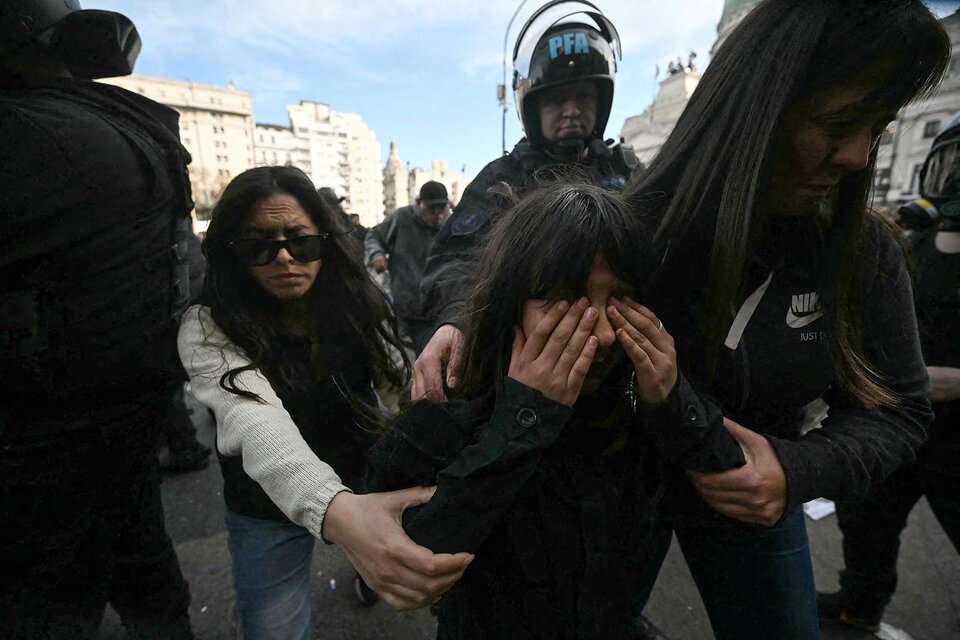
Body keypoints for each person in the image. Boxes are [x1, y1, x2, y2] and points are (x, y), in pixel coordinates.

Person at [619, 1, 950, 638]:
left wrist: (796, 469)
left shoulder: (865, 252)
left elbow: (902, 408)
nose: (858, 156)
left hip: (754, 496)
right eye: (837, 123)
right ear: (757, 108)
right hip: (622, 487)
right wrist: (462, 325)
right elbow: (497, 271)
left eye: (877, 127)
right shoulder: (631, 234)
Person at [366, 180, 743, 639]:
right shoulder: (454, 405)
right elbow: (416, 560)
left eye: (621, 298)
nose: (602, 335)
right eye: (566, 301)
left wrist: (672, 396)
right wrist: (524, 419)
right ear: (509, 302)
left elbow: (726, 483)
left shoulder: (636, 402)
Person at [177, 166, 472, 639]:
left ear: (325, 240)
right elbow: (252, 418)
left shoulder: (354, 300)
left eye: (301, 241)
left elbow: (399, 382)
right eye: (260, 244)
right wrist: (337, 513)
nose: (285, 258)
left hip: (364, 480)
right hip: (264, 506)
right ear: (232, 252)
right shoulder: (207, 325)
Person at [0, 2, 198, 638]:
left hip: (45, 440)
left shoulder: (33, 134)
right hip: (122, 414)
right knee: (142, 568)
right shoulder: (125, 127)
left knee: (51, 602)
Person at [414, 0, 639, 396]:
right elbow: (453, 263)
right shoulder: (501, 179)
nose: (571, 111)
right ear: (531, 107)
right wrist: (456, 321)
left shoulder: (628, 173)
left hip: (620, 372)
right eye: (556, 100)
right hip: (525, 375)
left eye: (583, 97)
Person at [817, 112, 960, 634]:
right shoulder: (912, 248)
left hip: (954, 439)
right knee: (867, 524)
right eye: (951, 165)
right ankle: (859, 605)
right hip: (899, 430)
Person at [366, 180, 449, 347]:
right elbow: (374, 235)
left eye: (442, 209)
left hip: (439, 311)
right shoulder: (401, 217)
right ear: (419, 203)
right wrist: (377, 254)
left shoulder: (449, 224)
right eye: (432, 209)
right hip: (407, 308)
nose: (438, 215)